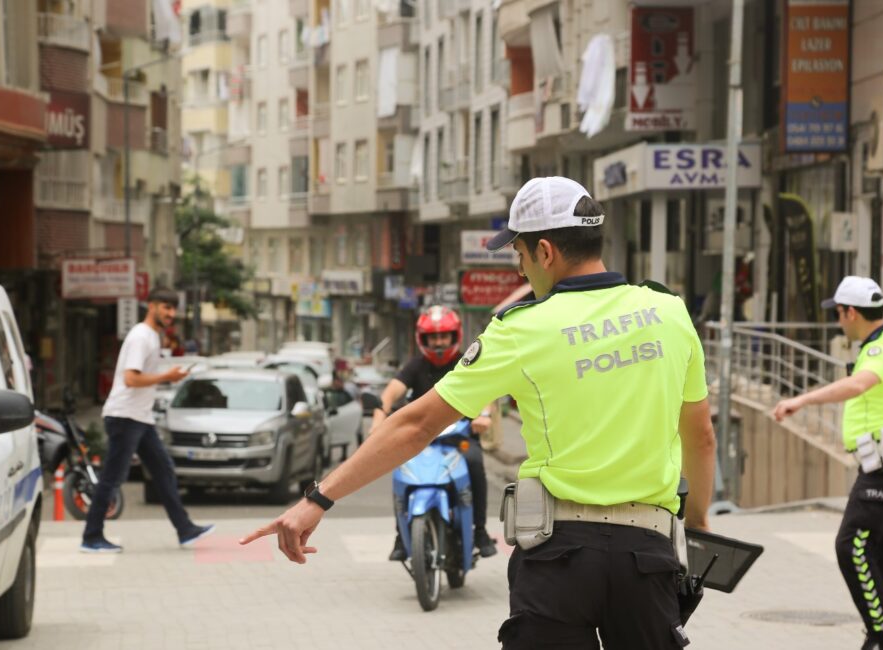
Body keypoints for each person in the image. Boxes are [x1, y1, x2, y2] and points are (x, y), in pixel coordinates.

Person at [241, 177, 717, 649]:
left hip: (560, 559)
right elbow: (700, 436)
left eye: (520, 255)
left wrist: (317, 499)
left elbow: (415, 424)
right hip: (649, 555)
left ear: (546, 252)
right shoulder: (669, 313)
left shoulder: (521, 330)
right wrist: (696, 525)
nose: (520, 270)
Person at [773, 276, 883, 650]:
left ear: (851, 312)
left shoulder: (881, 349)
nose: (839, 321)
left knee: (851, 545)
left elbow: (858, 385)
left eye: (839, 313)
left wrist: (801, 401)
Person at [81, 288, 215, 553]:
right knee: (112, 478)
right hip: (124, 417)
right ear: (151, 306)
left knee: (163, 471)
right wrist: (167, 377)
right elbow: (131, 378)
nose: (170, 314)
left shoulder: (153, 336)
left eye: (173, 309)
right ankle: (91, 537)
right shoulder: (141, 336)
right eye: (165, 307)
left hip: (140, 418)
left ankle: (185, 530)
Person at [372, 305, 499, 560]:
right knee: (400, 471)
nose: (439, 343)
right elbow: (390, 393)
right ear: (423, 339)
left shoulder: (468, 361)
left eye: (444, 336)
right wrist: (378, 420)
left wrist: (484, 416)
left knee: (475, 462)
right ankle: (401, 535)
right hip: (420, 439)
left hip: (459, 438)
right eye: (434, 337)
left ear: (455, 336)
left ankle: (480, 531)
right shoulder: (414, 367)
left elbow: (487, 391)